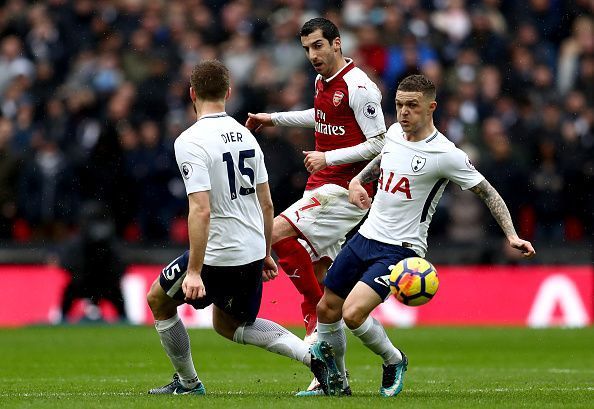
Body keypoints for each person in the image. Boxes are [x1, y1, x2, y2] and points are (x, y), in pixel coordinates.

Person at [305, 74, 536, 396]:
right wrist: (357, 180)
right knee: (326, 309)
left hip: (400, 249)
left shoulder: (446, 154)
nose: (403, 112)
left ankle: (394, 359)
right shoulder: (395, 133)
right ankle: (336, 384)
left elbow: (487, 192)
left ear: (431, 107)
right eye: (399, 105)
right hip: (366, 236)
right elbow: (382, 158)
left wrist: (512, 235)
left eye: (411, 106)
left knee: (353, 313)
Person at [146, 60, 341, 396]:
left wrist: (194, 272)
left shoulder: (189, 141)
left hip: (217, 254)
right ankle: (314, 357)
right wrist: (265, 253)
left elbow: (201, 208)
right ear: (228, 92)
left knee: (159, 301)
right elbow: (266, 204)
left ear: (192, 94)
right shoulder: (247, 138)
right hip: (250, 250)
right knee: (229, 323)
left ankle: (189, 383)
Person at [245, 17, 387, 343]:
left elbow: (380, 144)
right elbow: (319, 115)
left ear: (337, 43)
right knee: (329, 283)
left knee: (277, 232)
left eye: (318, 45)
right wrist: (274, 119)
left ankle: (311, 319)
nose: (312, 54)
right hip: (322, 184)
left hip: (346, 189)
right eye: (307, 48)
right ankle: (344, 370)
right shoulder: (323, 81)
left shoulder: (360, 87)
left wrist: (329, 158)